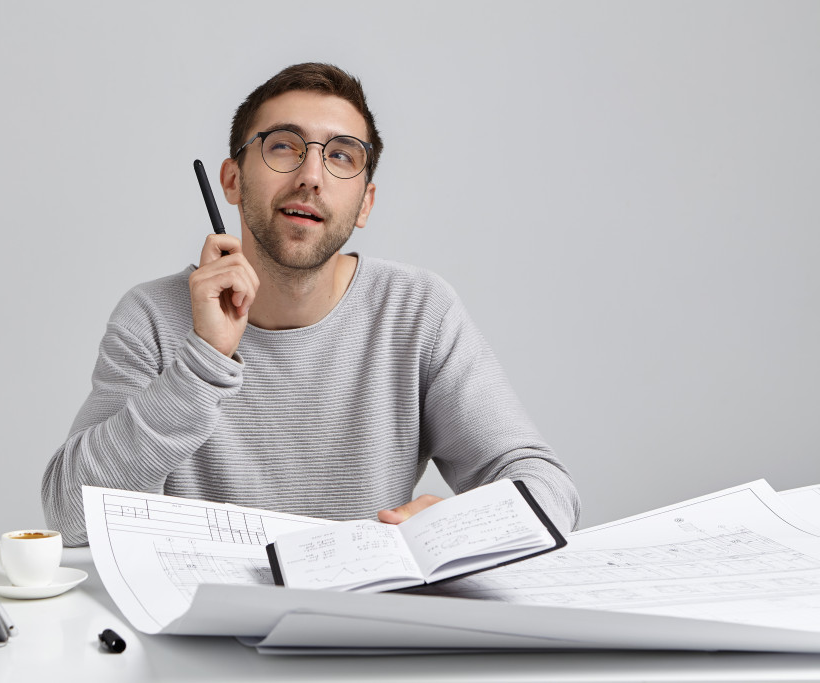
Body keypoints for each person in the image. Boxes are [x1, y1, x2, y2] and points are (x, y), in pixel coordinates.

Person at [42, 63, 580, 546]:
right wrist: (203, 361)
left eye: (342, 156)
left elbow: (548, 489)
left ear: (365, 202)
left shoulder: (418, 311)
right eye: (283, 146)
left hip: (363, 632)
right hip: (204, 635)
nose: (311, 176)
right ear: (233, 180)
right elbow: (69, 517)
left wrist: (462, 527)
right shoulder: (153, 316)